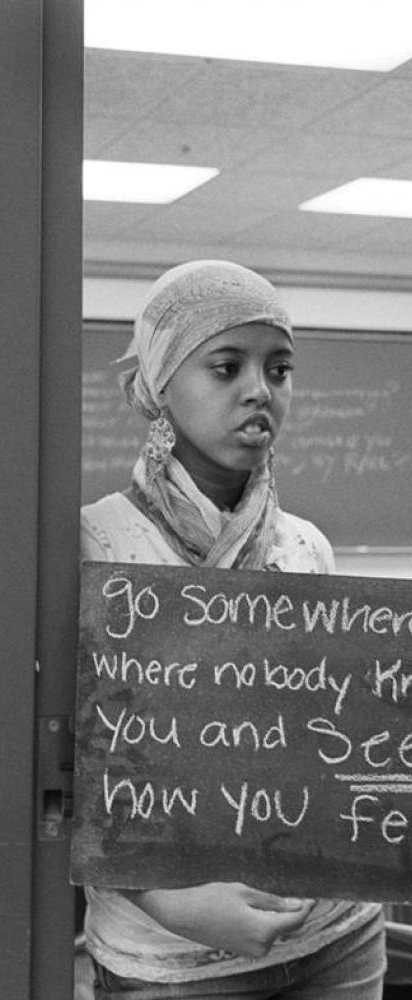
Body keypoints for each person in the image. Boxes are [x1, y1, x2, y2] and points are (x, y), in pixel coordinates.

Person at [80, 260, 385, 999]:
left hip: (336, 935)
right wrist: (171, 902)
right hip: (171, 956)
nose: (260, 390)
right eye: (226, 366)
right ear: (159, 386)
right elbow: (68, 760)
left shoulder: (305, 546)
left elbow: (322, 737)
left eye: (279, 369)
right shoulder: (96, 545)